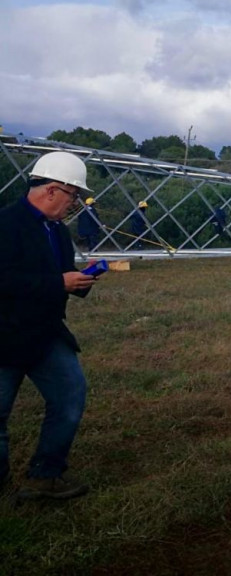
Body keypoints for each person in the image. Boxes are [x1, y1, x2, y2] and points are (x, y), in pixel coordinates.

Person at [0, 151, 98, 500]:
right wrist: (58, 284)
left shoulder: (57, 232)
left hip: (45, 334)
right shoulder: (7, 224)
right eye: (73, 195)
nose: (74, 203)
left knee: (70, 396)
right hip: (6, 335)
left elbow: (59, 276)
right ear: (53, 190)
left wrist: (80, 283)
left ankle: (44, 475)